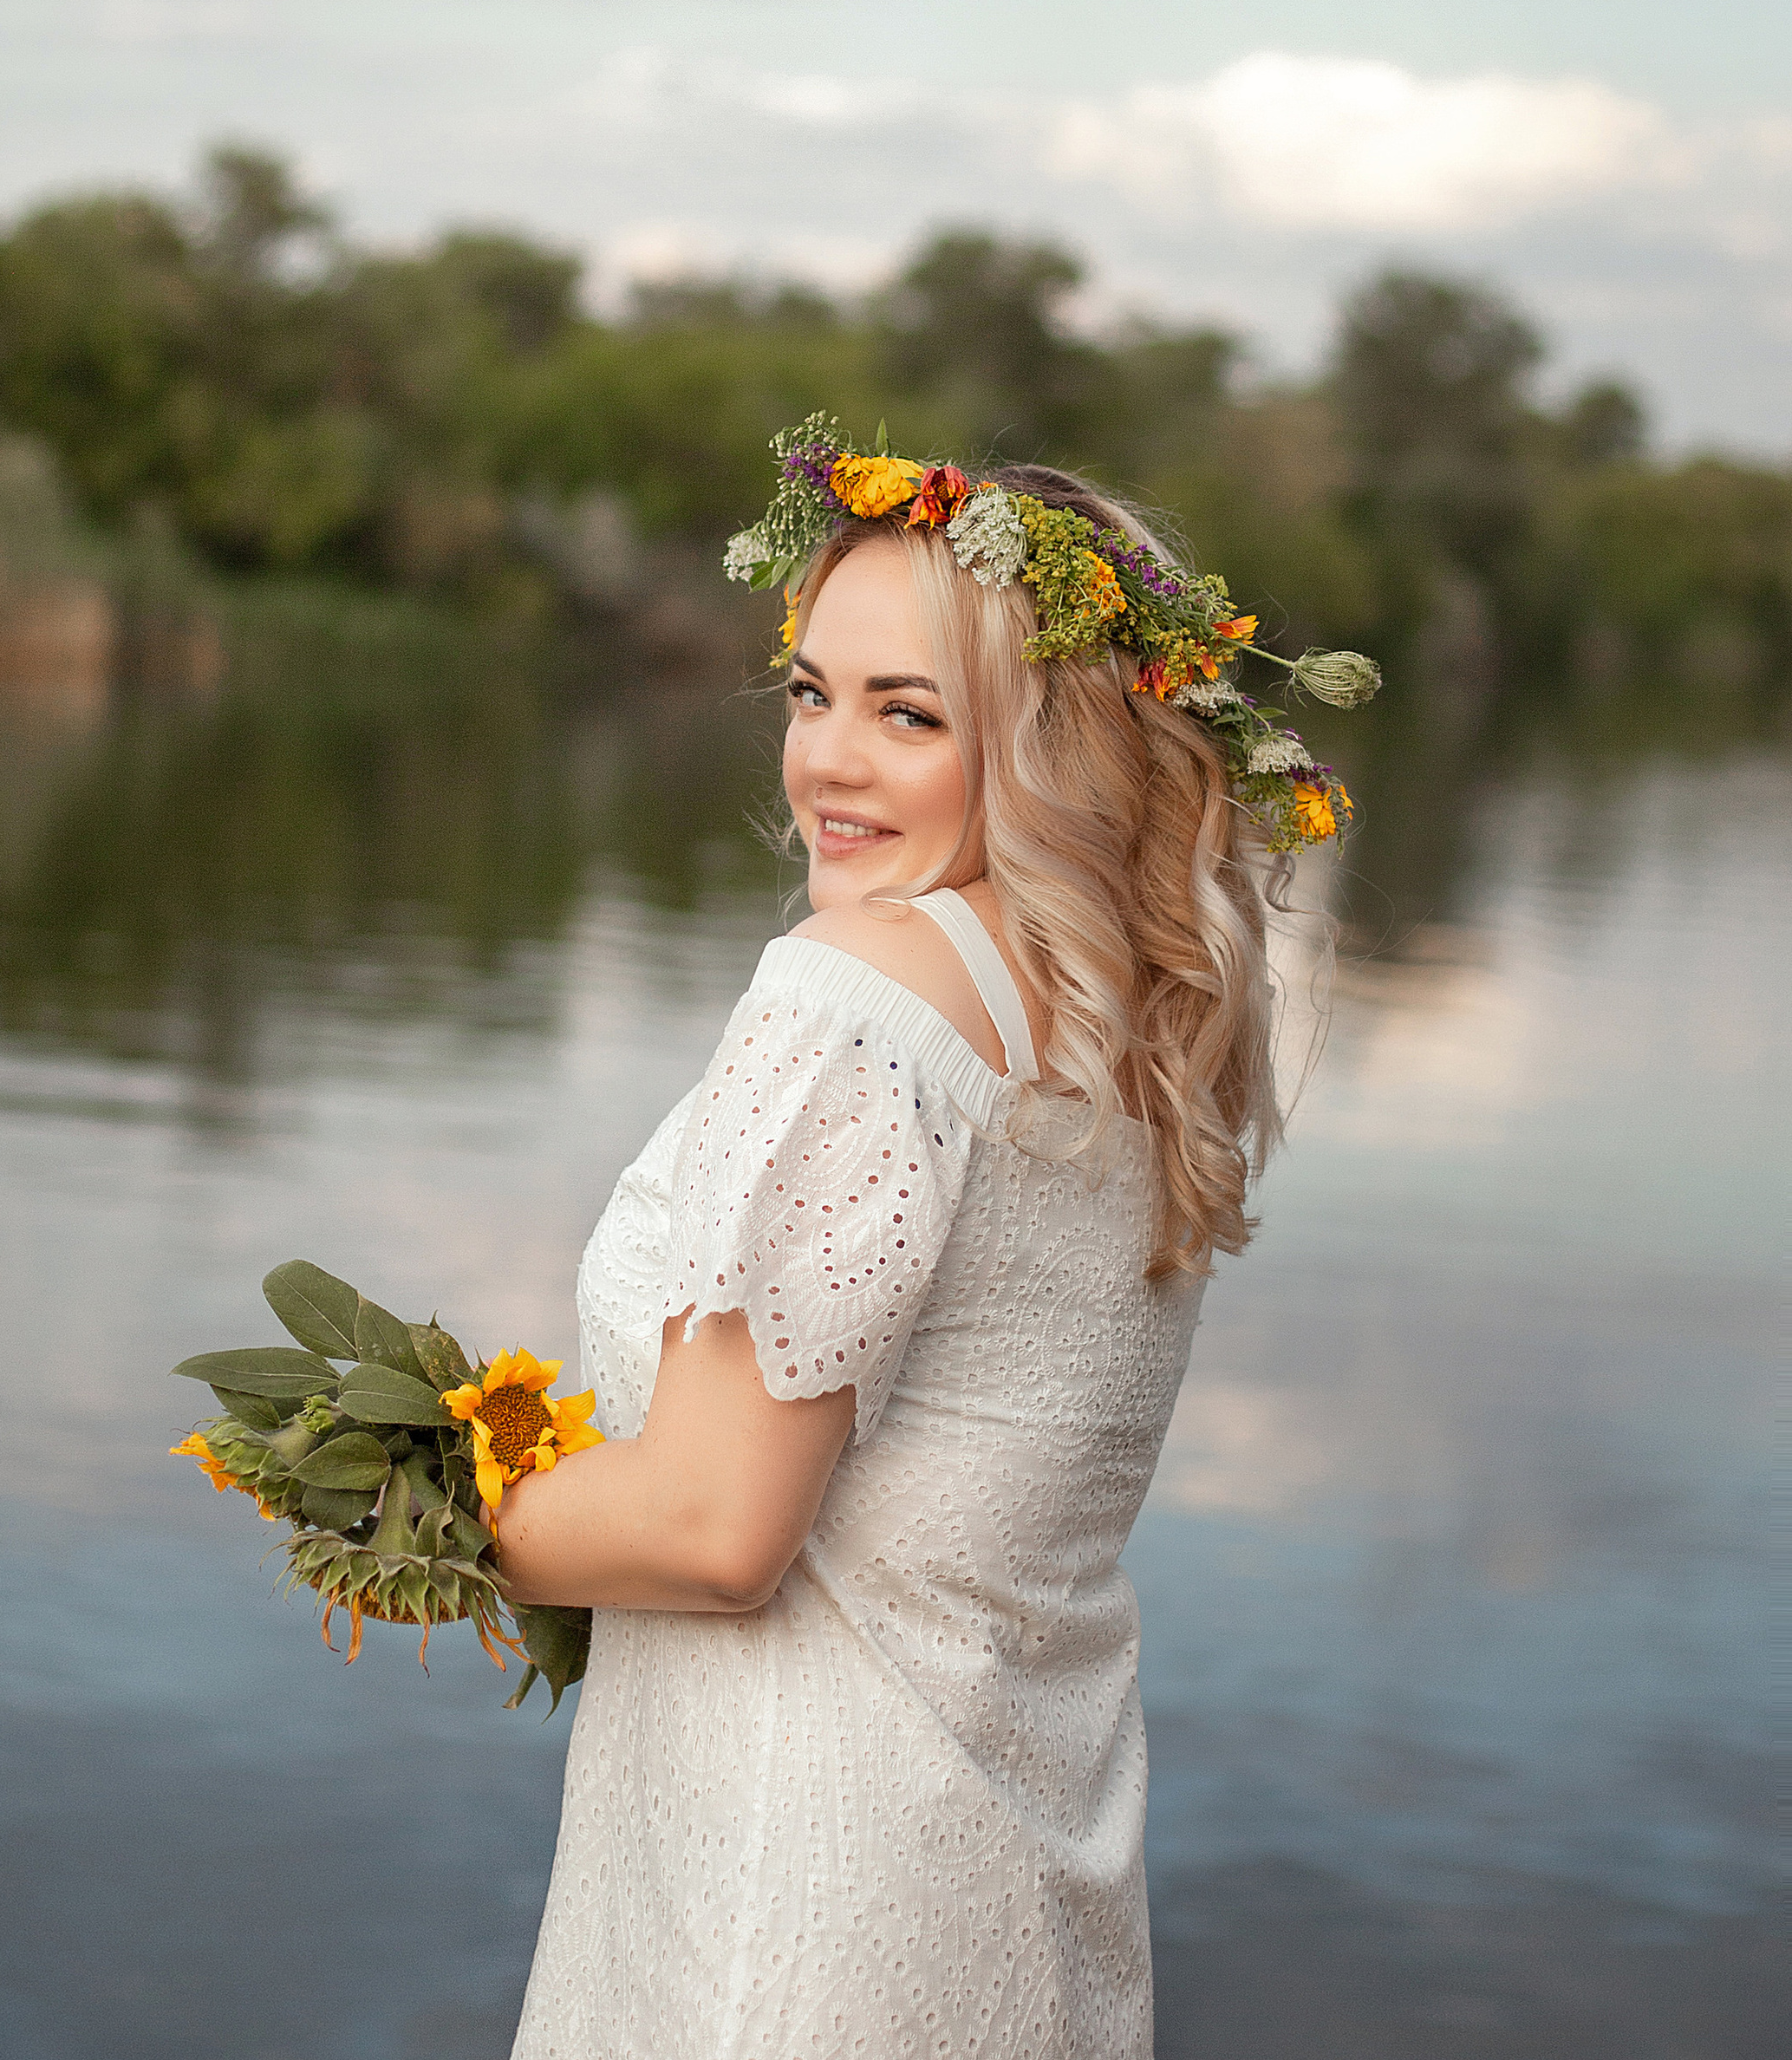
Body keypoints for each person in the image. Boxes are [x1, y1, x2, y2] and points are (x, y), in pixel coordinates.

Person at [493, 425, 1372, 2058]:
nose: (827, 761)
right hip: (1021, 1913)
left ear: (1062, 749)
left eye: (910, 716)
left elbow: (707, 1526)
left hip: (788, 1939)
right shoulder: (1134, 1019)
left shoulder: (866, 996)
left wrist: (445, 1506)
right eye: (812, 694)